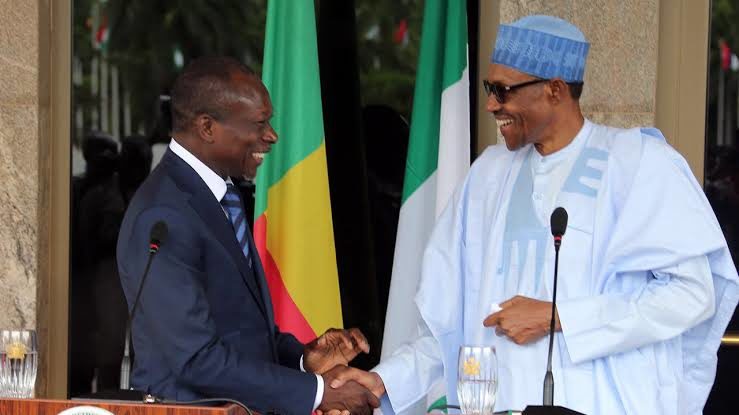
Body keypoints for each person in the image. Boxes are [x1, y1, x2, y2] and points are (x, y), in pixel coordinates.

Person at [327, 15, 739, 414]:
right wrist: (384, 381)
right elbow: (447, 323)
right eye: (489, 88)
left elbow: (692, 294)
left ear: (555, 90)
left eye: (502, 90)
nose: (490, 104)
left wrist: (559, 317)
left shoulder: (638, 163)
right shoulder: (487, 176)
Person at [116, 56, 379, 415]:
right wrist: (319, 393)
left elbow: (240, 331)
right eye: (259, 124)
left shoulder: (222, 194)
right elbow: (197, 358)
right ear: (207, 127)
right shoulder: (163, 215)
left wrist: (303, 359)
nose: (271, 136)